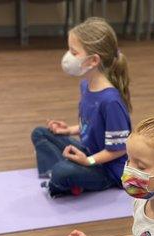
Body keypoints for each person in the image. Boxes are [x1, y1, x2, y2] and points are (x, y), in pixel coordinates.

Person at [31, 17, 132, 197]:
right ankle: (66, 176)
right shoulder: (86, 85)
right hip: (87, 152)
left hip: (106, 169)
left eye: (73, 51)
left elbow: (120, 149)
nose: (68, 56)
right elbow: (92, 126)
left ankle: (64, 177)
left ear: (93, 60)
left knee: (63, 172)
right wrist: (68, 130)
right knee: (39, 133)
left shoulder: (111, 101)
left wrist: (88, 161)